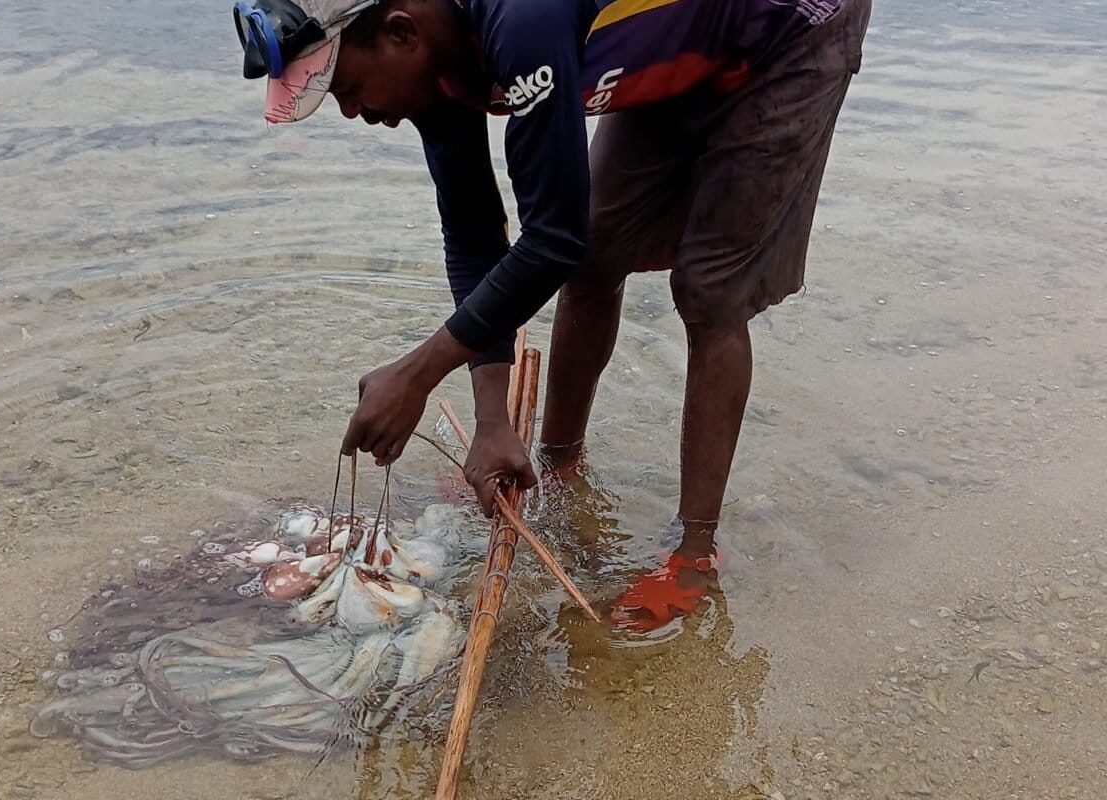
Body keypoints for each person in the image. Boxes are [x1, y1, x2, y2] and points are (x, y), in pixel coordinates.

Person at [233, 0, 871, 630]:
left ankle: (694, 554)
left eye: (345, 88)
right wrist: (490, 421)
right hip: (687, 28)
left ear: (402, 32)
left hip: (788, 28)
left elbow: (548, 240)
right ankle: (558, 464)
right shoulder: (437, 55)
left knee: (709, 291)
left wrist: (418, 375)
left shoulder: (525, 22)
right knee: (595, 252)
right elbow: (474, 231)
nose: (351, 111)